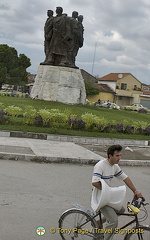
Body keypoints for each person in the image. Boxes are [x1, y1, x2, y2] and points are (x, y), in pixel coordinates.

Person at [92, 144, 143, 240]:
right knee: (113, 221)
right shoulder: (100, 166)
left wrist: (135, 191)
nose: (119, 158)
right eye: (117, 156)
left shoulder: (114, 166)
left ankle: (99, 222)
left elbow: (125, 178)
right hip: (99, 197)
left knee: (121, 210)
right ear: (110, 156)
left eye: (120, 155)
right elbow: (94, 182)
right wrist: (107, 191)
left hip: (107, 196)